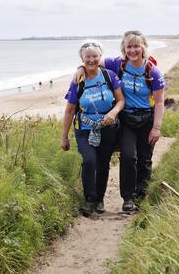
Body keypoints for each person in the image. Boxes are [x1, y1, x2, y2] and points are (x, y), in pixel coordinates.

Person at [75, 31, 166, 211]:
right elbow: (92, 62)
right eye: (129, 46)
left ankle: (141, 196)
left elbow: (160, 102)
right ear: (124, 49)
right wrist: (79, 69)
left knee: (145, 159)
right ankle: (128, 198)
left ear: (143, 48)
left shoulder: (152, 71)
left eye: (136, 46)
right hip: (126, 119)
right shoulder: (118, 63)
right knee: (129, 156)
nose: (132, 50)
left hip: (147, 119)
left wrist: (156, 127)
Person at [61, 40, 125, 216]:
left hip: (108, 128)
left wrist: (113, 113)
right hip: (84, 129)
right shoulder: (78, 80)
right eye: (87, 57)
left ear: (100, 57)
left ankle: (100, 199)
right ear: (82, 59)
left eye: (95, 56)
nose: (91, 60)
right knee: (89, 161)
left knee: (103, 164)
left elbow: (121, 100)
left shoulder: (109, 76)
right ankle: (89, 200)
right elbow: (69, 111)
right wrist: (64, 136)